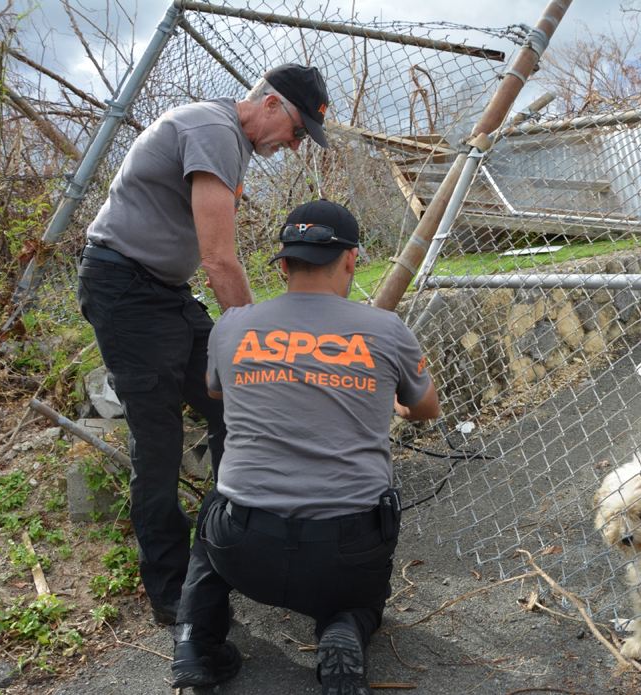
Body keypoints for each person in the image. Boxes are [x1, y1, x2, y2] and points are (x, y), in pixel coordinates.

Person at [76, 64, 332, 625]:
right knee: (160, 440)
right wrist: (260, 350)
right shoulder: (214, 130)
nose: (292, 144)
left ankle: (228, 550)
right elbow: (220, 260)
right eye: (294, 129)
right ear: (269, 104)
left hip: (165, 292)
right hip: (125, 289)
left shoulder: (228, 138)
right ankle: (175, 595)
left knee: (231, 406)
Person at [167, 199, 440, 694]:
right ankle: (344, 626)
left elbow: (216, 389)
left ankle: (195, 646)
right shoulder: (386, 330)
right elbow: (426, 408)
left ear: (285, 263)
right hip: (346, 554)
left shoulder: (232, 326)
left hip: (243, 548)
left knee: (214, 512)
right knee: (363, 598)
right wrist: (391, 401)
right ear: (352, 259)